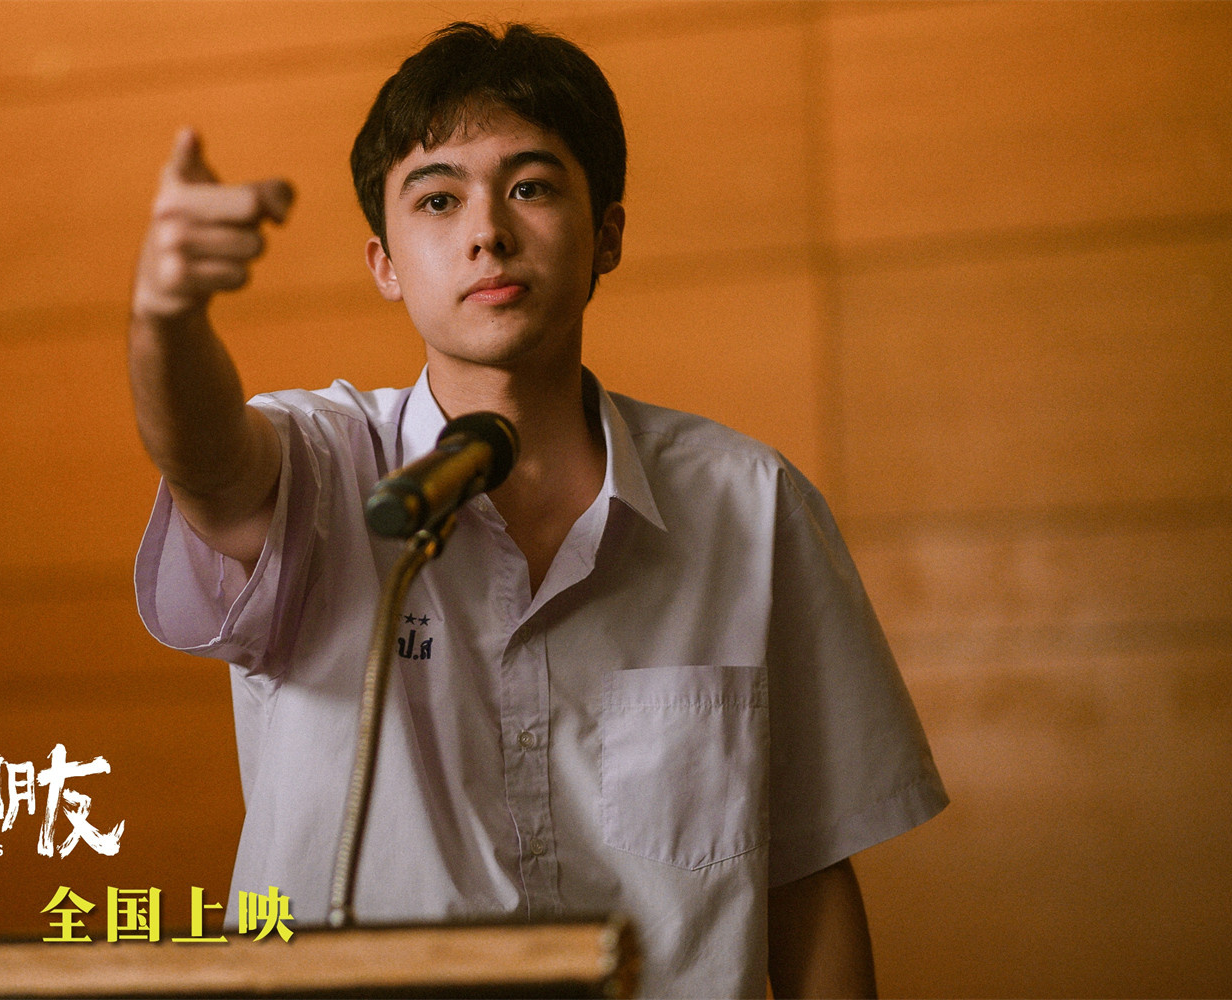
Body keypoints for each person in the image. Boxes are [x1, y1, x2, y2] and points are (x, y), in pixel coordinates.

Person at [129, 22, 946, 998]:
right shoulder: (324, 470)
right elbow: (207, 463)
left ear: (607, 235)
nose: (487, 231)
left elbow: (806, 880)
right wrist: (165, 320)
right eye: (437, 198)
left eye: (530, 187)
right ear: (383, 261)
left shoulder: (750, 505)